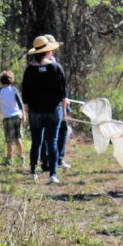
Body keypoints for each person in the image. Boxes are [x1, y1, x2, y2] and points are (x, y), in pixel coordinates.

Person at [22, 35, 68, 184]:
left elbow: (25, 92)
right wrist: (64, 110)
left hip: (36, 111)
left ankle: (33, 171)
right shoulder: (56, 67)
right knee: (52, 141)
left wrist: (26, 107)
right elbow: (63, 91)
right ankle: (53, 174)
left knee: (36, 142)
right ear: (48, 51)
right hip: (53, 110)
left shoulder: (29, 70)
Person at [42, 34, 72, 170]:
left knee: (49, 132)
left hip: (51, 103)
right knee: (60, 131)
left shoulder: (39, 63)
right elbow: (59, 86)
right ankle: (55, 160)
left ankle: (49, 160)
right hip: (55, 105)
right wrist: (64, 102)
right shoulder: (51, 63)